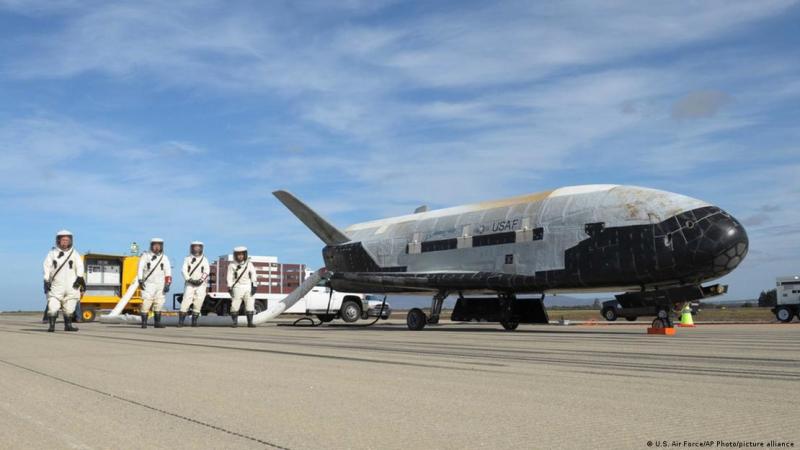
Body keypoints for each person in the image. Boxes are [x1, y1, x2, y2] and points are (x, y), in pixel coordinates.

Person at [42, 230, 85, 332]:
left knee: (70, 305)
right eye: (63, 240)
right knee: (53, 303)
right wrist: (46, 279)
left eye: (67, 240)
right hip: (57, 284)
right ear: (58, 241)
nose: (65, 242)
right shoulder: (52, 253)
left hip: (72, 284)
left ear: (71, 241)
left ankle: (68, 325)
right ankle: (52, 325)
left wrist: (80, 277)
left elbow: (80, 266)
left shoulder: (74, 253)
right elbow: (46, 266)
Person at [137, 238, 172, 329]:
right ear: (151, 246)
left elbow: (168, 271)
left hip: (161, 284)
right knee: (146, 302)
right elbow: (140, 268)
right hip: (148, 283)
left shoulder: (164, 257)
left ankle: (157, 323)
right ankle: (144, 323)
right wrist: (140, 280)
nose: (157, 247)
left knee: (159, 302)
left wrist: (168, 283)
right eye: (155, 245)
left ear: (161, 246)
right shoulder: (146, 256)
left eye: (159, 245)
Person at [179, 241, 209, 327]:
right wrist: (189, 279)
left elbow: (207, 271)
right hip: (190, 283)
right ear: (192, 248)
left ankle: (194, 322)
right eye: (195, 247)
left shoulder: (205, 259)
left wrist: (201, 280)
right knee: (186, 301)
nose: (196, 248)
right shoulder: (187, 259)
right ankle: (181, 322)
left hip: (201, 284)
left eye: (198, 247)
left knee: (198, 301)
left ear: (201, 248)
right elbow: (183, 270)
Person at [226, 246, 258, 328]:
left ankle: (250, 322)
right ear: (235, 255)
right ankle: (234, 323)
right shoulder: (232, 265)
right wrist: (229, 287)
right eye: (238, 254)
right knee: (235, 305)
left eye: (242, 254)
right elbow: (229, 276)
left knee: (250, 304)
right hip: (237, 287)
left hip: (248, 286)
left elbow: (253, 275)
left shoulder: (249, 264)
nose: (240, 256)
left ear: (245, 255)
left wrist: (254, 286)